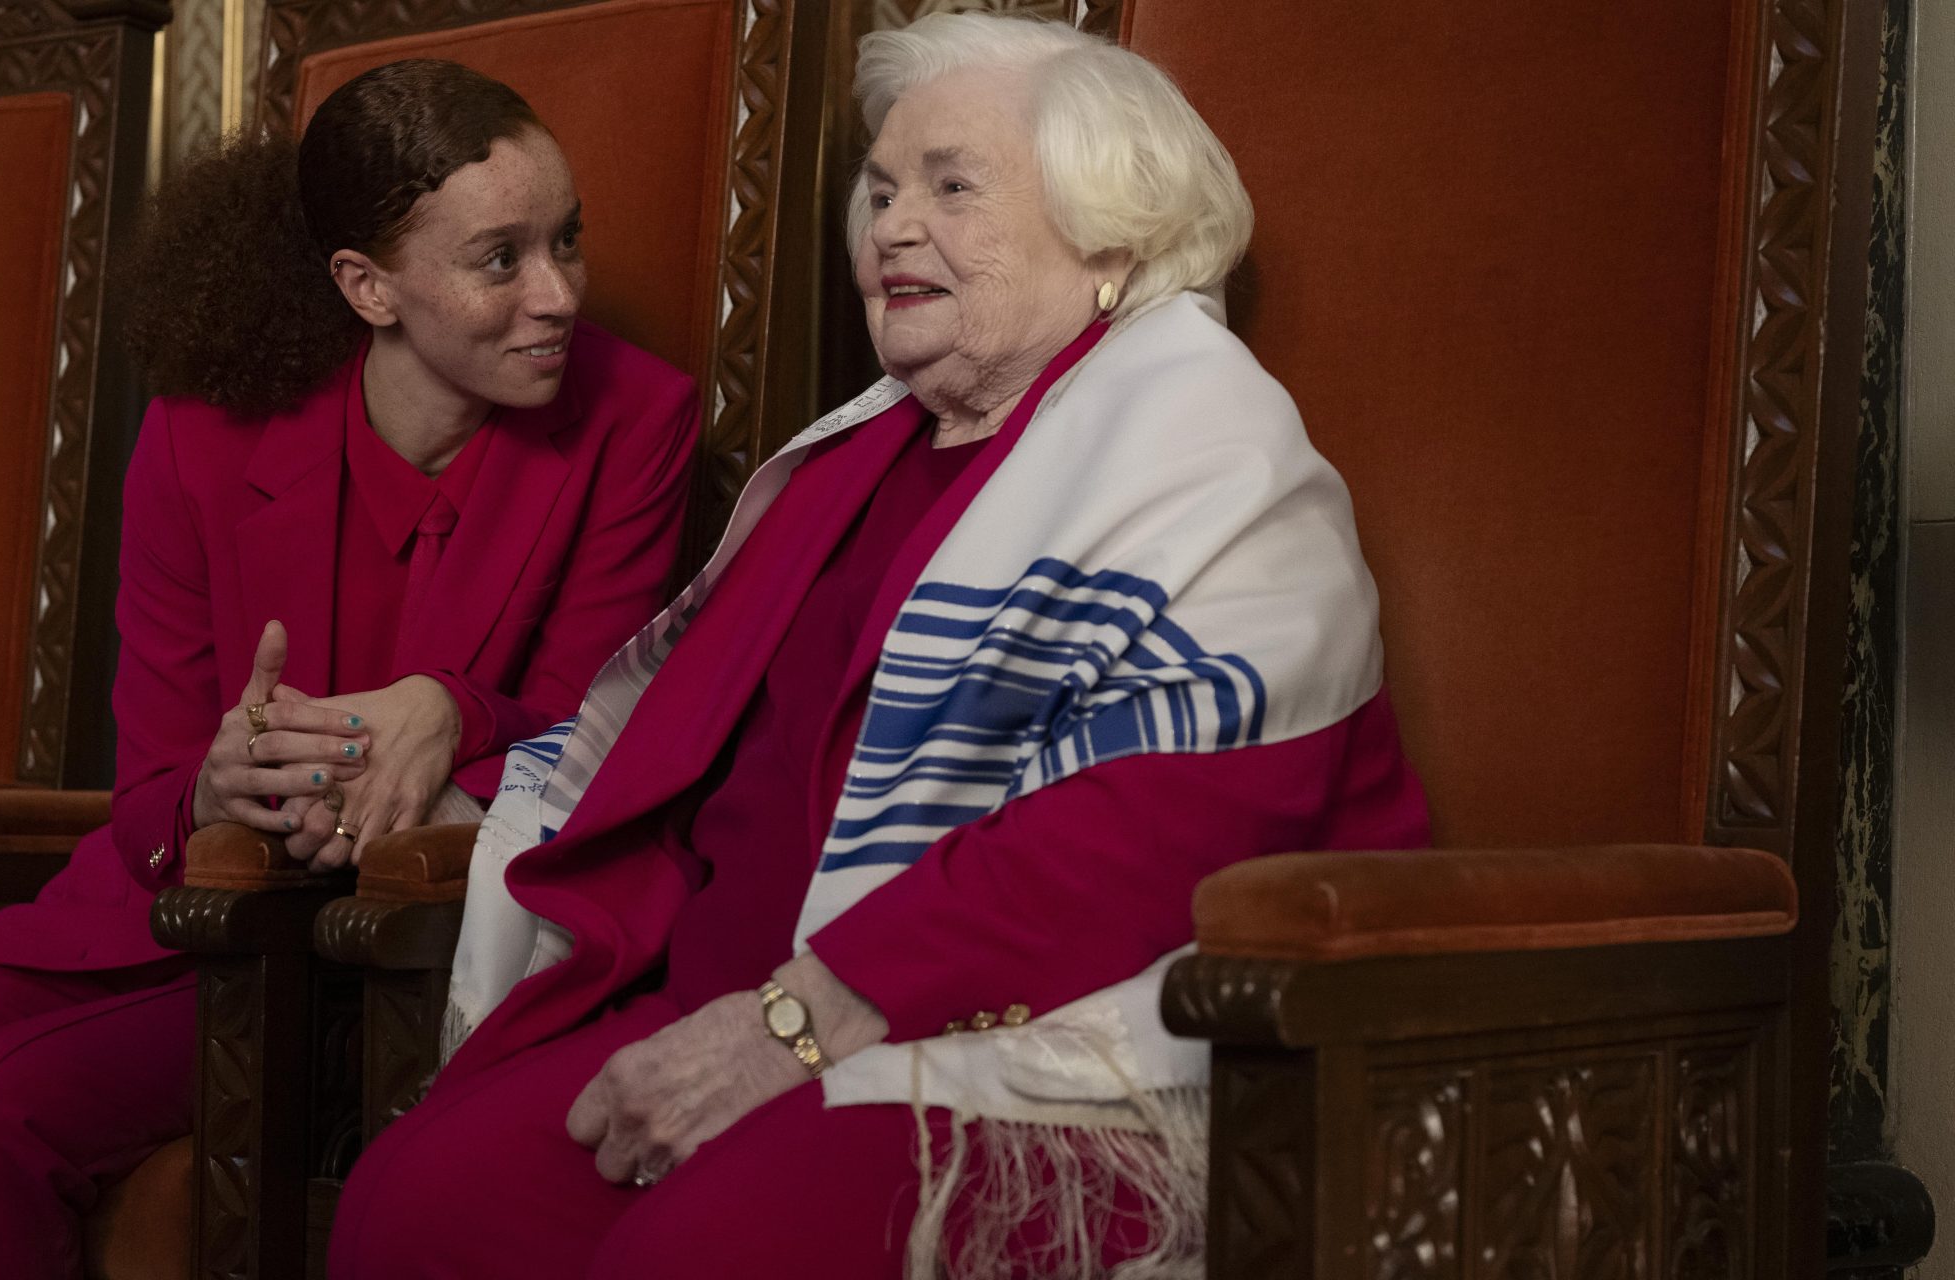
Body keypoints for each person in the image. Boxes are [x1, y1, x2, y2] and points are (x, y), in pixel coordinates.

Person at [331, 16, 1428, 1279]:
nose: (891, 225)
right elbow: (669, 760)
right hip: (724, 1000)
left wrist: (798, 1018)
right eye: (883, 187)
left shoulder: (1215, 454)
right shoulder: (850, 459)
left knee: (703, 1253)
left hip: (1036, 1044)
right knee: (416, 1205)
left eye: (952, 186)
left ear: (1111, 231)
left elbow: (1143, 840)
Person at [0, 59, 700, 1279]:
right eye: (501, 258)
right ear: (366, 285)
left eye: (568, 240)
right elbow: (148, 788)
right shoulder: (198, 437)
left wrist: (451, 711)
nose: (557, 293)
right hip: (160, 906)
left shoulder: (636, 419)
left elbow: (596, 731)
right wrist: (216, 783)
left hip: (382, 957)